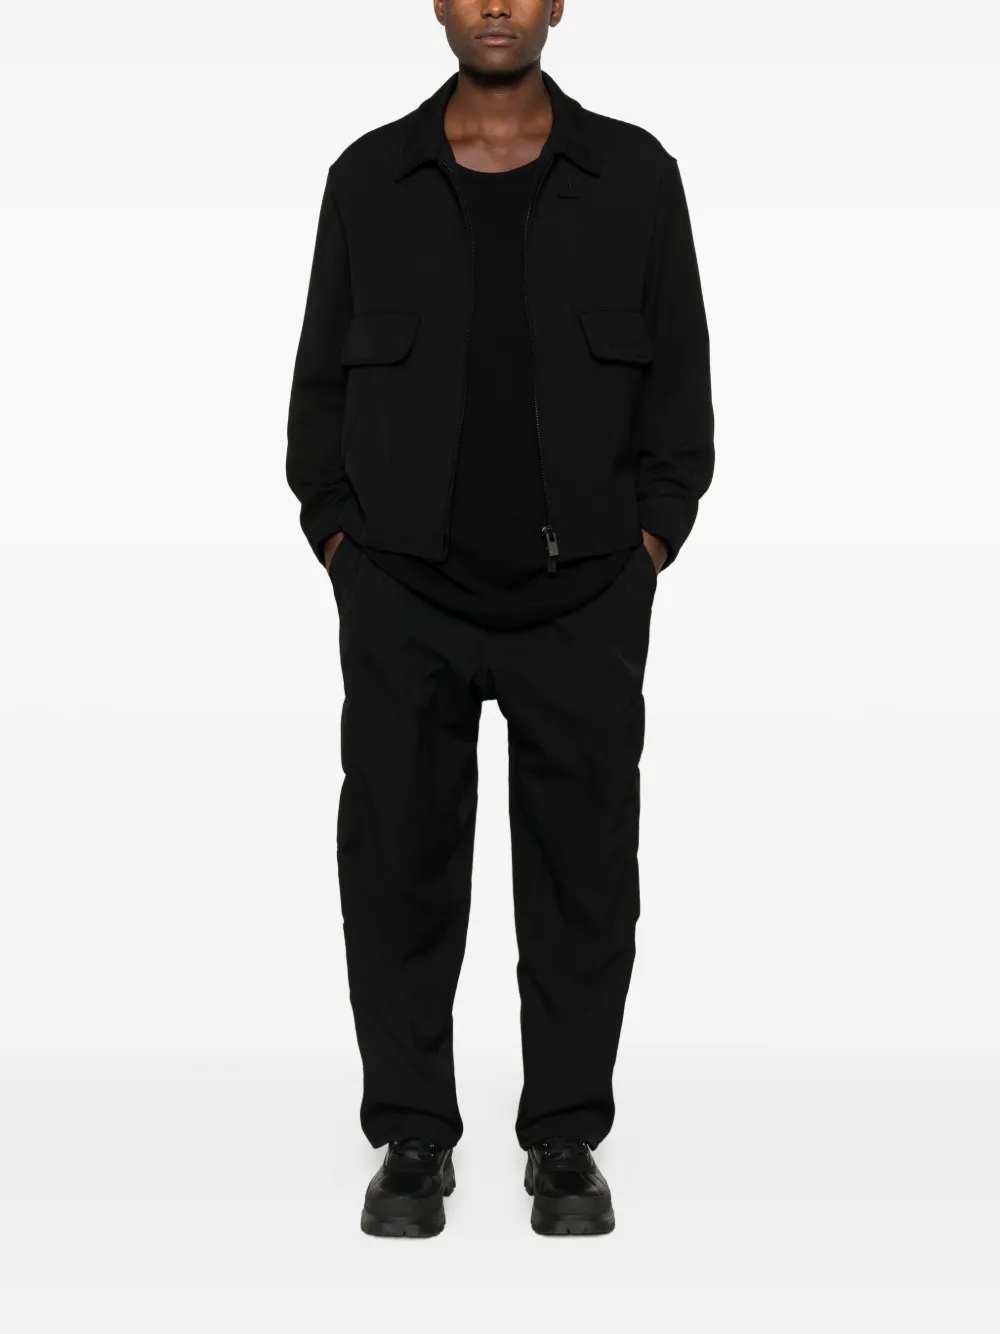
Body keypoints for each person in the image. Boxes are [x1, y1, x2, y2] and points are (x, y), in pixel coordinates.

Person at [286, 0, 714, 1238]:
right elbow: (318, 389)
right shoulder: (367, 178)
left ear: (557, 2)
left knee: (584, 874)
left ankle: (565, 1137)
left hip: (582, 595)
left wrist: (648, 541)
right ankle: (412, 1136)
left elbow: (680, 381)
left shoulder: (634, 175)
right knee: (396, 864)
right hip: (403, 589)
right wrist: (342, 542)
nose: (494, 5)